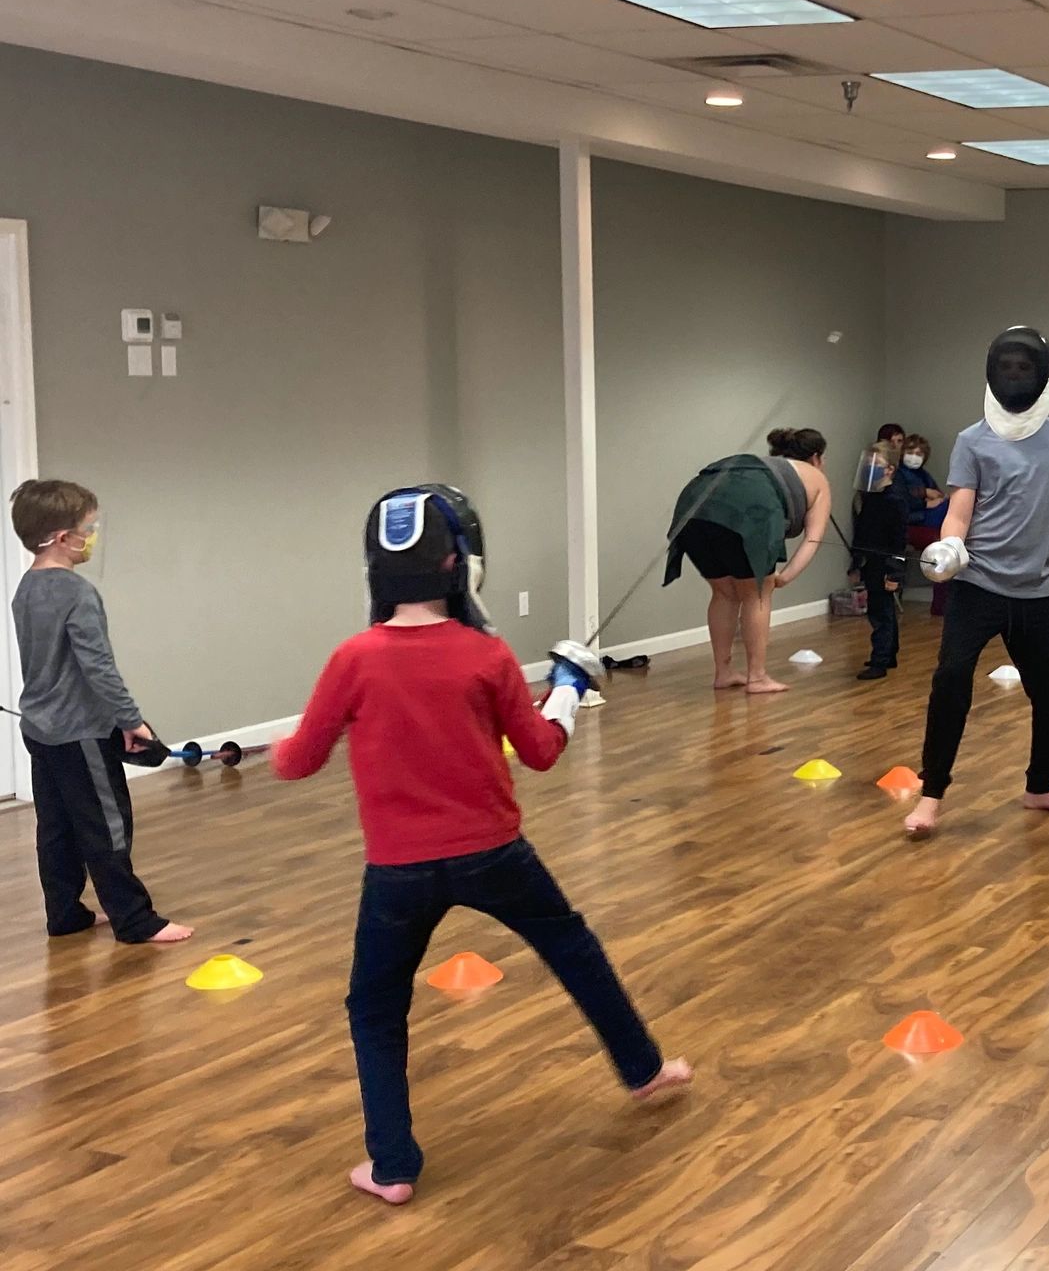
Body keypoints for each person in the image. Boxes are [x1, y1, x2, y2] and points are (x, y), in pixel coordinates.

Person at [274, 483, 689, 1206]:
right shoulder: (485, 655)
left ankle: (393, 1166)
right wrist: (563, 693)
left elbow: (298, 761)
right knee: (575, 950)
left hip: (398, 873)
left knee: (375, 1007)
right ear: (462, 562)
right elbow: (540, 752)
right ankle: (644, 1070)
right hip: (496, 856)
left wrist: (279, 744)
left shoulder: (353, 658)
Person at [905, 328, 1049, 840]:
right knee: (951, 682)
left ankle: (1041, 786)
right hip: (978, 586)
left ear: (1042, 375)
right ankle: (931, 795)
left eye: (1023, 369)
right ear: (992, 373)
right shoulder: (972, 440)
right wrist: (949, 547)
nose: (1014, 377)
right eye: (1006, 368)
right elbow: (959, 510)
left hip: (1036, 592)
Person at [8, 479, 191, 945]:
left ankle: (65, 913)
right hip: (81, 733)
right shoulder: (76, 593)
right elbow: (99, 669)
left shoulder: (26, 588)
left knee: (57, 826)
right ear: (63, 538)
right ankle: (134, 920)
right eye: (88, 528)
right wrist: (132, 721)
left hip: (42, 730)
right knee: (107, 825)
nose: (94, 535)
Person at [665, 428, 831, 695]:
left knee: (724, 593)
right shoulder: (816, 477)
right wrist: (785, 577)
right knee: (757, 595)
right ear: (816, 458)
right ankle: (757, 677)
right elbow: (813, 538)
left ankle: (724, 672)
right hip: (748, 512)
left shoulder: (762, 465)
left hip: (692, 508)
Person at [849, 440, 908, 681]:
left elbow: (899, 540)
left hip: (885, 564)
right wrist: (856, 561)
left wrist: (894, 572)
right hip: (870, 561)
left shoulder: (895, 500)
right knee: (882, 608)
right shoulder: (870, 496)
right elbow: (862, 532)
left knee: (880, 613)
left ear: (890, 469)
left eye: (877, 465)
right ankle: (889, 653)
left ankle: (880, 661)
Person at [897, 432, 950, 619]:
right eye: (911, 452)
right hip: (914, 521)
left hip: (929, 519)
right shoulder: (898, 475)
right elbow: (902, 503)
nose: (914, 457)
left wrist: (936, 498)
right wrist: (927, 501)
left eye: (919, 454)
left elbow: (938, 494)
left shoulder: (923, 475)